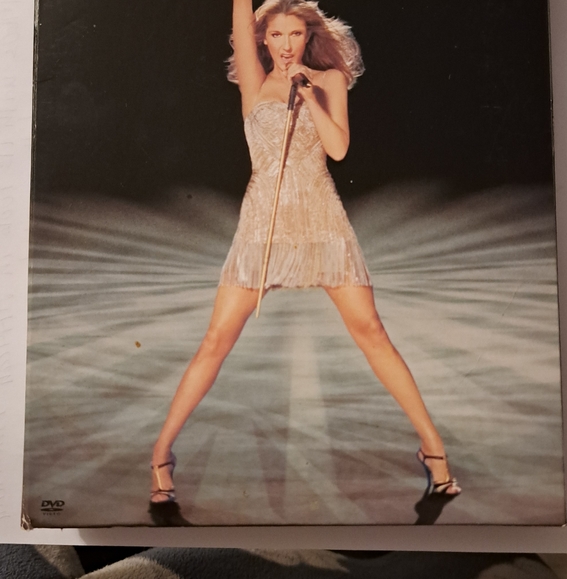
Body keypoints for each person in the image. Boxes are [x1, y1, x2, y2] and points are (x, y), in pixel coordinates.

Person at [150, 0, 461, 505]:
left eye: (295, 34)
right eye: (276, 35)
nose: (286, 44)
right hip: (263, 224)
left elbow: (337, 150)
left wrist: (309, 93)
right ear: (264, 40)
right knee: (215, 341)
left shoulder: (329, 80)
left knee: (372, 331)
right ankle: (161, 454)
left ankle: (434, 450)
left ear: (307, 36)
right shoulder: (254, 84)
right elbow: (240, 14)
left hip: (321, 218)